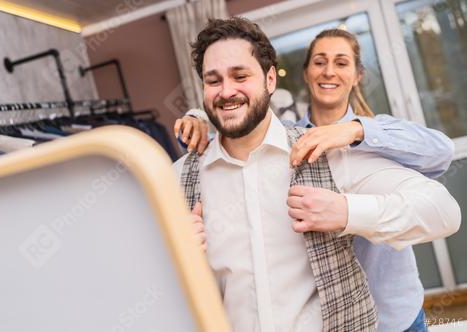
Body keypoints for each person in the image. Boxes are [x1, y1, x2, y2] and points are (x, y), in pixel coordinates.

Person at [174, 18, 461, 332]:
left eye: (240, 75)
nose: (329, 71)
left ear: (271, 79)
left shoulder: (341, 151)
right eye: (213, 80)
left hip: (392, 315)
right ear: (306, 73)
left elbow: (441, 186)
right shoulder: (182, 180)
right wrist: (199, 116)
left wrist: (348, 201)